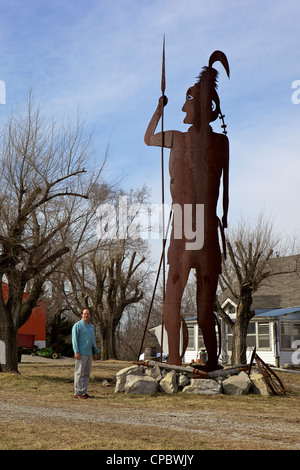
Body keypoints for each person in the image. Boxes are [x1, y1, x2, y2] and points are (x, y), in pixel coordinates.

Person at [144, 51, 230, 371]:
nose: (182, 107)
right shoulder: (221, 143)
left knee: (178, 298)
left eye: (187, 100)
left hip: (191, 225)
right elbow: (226, 199)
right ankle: (189, 359)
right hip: (204, 226)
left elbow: (148, 138)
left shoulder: (190, 140)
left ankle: (187, 359)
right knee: (194, 303)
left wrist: (158, 107)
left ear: (204, 107)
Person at [72, 308, 100, 399]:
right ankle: (78, 392)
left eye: (88, 314)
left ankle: (84, 392)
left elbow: (93, 341)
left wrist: (95, 352)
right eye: (84, 314)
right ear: (81, 315)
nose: (86, 315)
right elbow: (74, 340)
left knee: (86, 374)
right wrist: (76, 351)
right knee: (79, 373)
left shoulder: (91, 327)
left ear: (90, 315)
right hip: (81, 353)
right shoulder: (77, 326)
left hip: (89, 354)